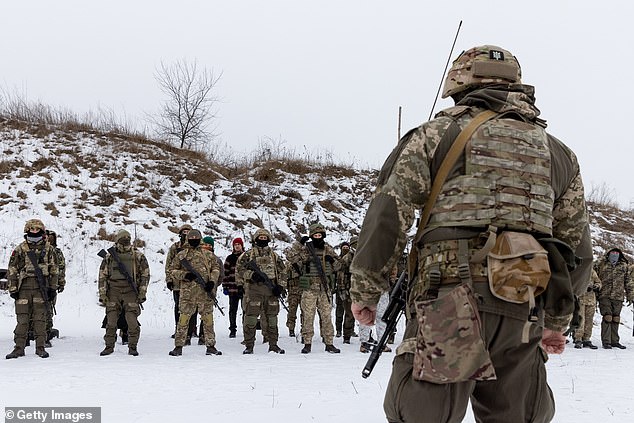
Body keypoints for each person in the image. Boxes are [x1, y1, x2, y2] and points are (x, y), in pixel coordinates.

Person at [350, 45, 591, 422]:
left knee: (424, 415)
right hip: (522, 306)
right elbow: (575, 249)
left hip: (448, 298)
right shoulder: (559, 154)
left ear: (459, 84)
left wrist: (365, 290)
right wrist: (556, 321)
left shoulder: (435, 135)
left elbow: (389, 213)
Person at [6, 219, 59, 359]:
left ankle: (40, 347)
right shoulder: (20, 249)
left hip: (41, 289)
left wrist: (52, 288)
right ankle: (19, 348)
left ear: (41, 231)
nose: (34, 232)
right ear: (27, 230)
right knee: (22, 320)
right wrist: (13, 288)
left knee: (40, 319)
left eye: (37, 229)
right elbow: (12, 269)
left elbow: (54, 270)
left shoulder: (49, 249)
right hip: (23, 288)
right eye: (32, 229)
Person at [286, 223, 340, 354]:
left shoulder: (328, 249)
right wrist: (299, 243)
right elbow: (290, 256)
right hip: (309, 288)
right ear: (311, 236)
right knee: (308, 316)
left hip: (324, 288)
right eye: (315, 235)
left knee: (327, 316)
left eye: (319, 235)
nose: (317, 237)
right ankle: (307, 343)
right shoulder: (306, 249)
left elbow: (339, 266)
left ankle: (329, 343)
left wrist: (332, 261)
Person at [168, 229, 222, 356]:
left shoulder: (207, 255)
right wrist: (184, 275)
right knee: (183, 320)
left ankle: (211, 345)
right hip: (187, 294)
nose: (193, 239)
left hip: (205, 293)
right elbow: (172, 270)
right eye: (191, 237)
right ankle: (178, 346)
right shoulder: (182, 256)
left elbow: (216, 268)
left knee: (208, 320)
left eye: (195, 237)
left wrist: (212, 282)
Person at [98, 229, 149, 356]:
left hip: (130, 291)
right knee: (111, 322)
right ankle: (109, 346)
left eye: (127, 238)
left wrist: (142, 293)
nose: (125, 240)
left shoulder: (137, 256)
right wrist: (103, 294)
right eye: (123, 238)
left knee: (132, 321)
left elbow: (145, 275)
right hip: (113, 291)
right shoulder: (110, 256)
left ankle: (132, 347)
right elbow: (102, 276)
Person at [235, 228, 287, 354]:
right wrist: (251, 275)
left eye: (265, 238)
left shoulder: (274, 255)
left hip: (271, 290)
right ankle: (249, 346)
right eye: (260, 237)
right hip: (254, 290)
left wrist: (280, 286)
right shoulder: (248, 255)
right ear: (255, 239)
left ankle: (273, 345)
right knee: (251, 318)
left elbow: (283, 271)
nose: (262, 240)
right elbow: (239, 270)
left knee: (272, 319)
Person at [165, 224, 198, 343]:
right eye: (184, 231)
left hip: (193, 283)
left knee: (193, 307)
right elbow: (169, 265)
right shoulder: (175, 247)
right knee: (178, 307)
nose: (186, 233)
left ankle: (192, 329)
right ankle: (179, 329)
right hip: (178, 283)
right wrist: (169, 279)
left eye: (188, 231)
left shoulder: (196, 246)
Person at [595, 248, 634, 349]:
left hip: (618, 296)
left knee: (616, 319)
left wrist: (631, 295)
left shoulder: (624, 266)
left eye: (617, 253)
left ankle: (615, 341)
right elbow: (593, 275)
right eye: (613, 253)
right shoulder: (601, 264)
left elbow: (628, 282)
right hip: (605, 295)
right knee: (607, 317)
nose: (615, 254)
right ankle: (606, 341)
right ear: (609, 254)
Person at [334, 239, 357, 345]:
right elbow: (340, 274)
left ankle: (357, 334)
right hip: (347, 289)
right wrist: (342, 288)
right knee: (347, 312)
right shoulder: (347, 257)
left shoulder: (362, 255)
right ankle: (345, 335)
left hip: (359, 289)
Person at [44, 229, 65, 345]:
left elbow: (61, 268)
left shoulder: (56, 252)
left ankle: (46, 334)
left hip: (51, 284)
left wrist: (60, 282)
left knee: (48, 310)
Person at [222, 237, 245, 338]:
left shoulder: (246, 257)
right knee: (233, 310)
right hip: (232, 288)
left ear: (242, 246)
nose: (237, 246)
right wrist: (225, 286)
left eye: (238, 244)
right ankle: (232, 329)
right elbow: (225, 273)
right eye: (235, 245)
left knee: (245, 309)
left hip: (244, 288)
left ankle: (246, 328)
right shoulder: (230, 258)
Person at [573, 268, 601, 349]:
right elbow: (574, 283)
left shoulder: (592, 271)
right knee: (581, 320)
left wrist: (596, 286)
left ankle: (586, 339)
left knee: (589, 321)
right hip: (580, 299)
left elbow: (598, 282)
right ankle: (578, 339)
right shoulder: (578, 271)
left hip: (591, 300)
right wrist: (584, 286)